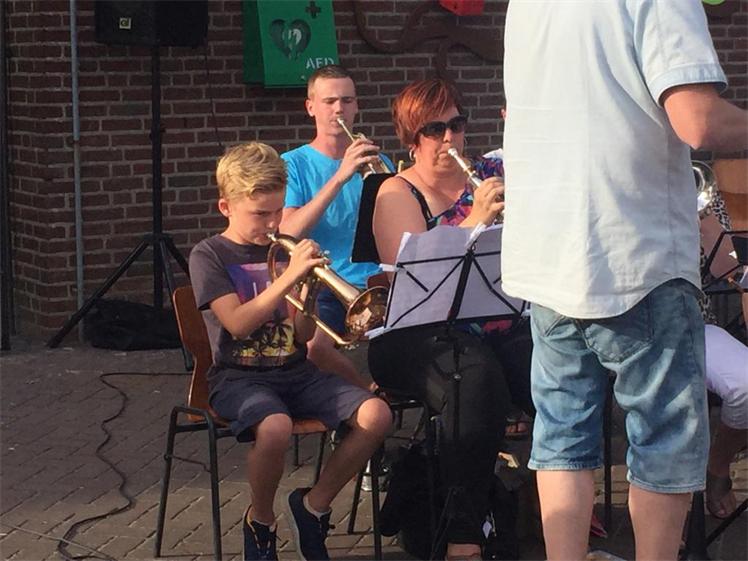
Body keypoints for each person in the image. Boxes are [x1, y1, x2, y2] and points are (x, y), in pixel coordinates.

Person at [502, 2, 748, 560]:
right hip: (634, 253)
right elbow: (697, 120)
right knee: (664, 440)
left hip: (549, 256)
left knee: (562, 435)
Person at [189, 142, 392, 561]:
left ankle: (312, 506)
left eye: (278, 211)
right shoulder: (210, 255)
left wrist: (310, 290)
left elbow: (301, 336)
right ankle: (261, 522)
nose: (272, 223)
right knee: (275, 426)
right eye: (259, 214)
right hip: (237, 377)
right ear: (226, 207)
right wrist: (287, 278)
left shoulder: (284, 250)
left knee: (377, 415)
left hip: (295, 372)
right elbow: (238, 323)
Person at [368, 77, 530, 561]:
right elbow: (412, 278)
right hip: (413, 335)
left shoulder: (492, 173)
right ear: (411, 139)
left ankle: (548, 502)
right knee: (474, 377)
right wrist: (474, 220)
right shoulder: (395, 192)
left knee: (558, 367)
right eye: (434, 130)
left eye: (456, 125)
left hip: (494, 320)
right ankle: (464, 534)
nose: (449, 139)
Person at [280, 64, 392, 389]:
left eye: (347, 100)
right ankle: (368, 398)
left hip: (378, 280)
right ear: (310, 107)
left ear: (356, 106)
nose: (338, 109)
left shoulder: (377, 162)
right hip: (326, 283)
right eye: (329, 101)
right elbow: (288, 232)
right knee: (315, 349)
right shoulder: (292, 164)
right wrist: (341, 176)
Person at [699, 192, 748, 519]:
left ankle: (717, 466)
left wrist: (703, 218)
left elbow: (730, 267)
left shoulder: (700, 190)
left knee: (746, 383)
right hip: (618, 324)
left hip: (691, 322)